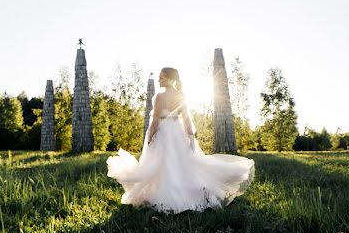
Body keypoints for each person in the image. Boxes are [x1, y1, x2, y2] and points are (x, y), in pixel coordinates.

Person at [107, 67, 254, 213]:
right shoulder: (181, 95)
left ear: (169, 79)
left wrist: (151, 135)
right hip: (178, 132)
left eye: (161, 77)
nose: (159, 80)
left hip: (164, 131)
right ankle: (185, 188)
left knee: (162, 162)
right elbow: (186, 119)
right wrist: (190, 136)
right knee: (180, 162)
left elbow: (156, 120)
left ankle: (165, 192)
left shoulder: (159, 97)